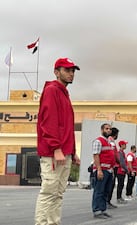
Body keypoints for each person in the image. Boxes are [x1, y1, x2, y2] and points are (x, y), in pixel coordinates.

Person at [35, 57, 81, 225]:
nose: (71, 73)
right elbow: (49, 122)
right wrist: (56, 148)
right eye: (67, 70)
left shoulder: (64, 93)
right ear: (56, 72)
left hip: (65, 153)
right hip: (53, 153)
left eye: (73, 71)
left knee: (58, 194)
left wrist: (73, 151)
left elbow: (66, 127)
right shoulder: (52, 90)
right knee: (48, 193)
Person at [92, 123, 114, 219]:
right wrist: (99, 170)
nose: (108, 130)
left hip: (108, 170)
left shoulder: (108, 142)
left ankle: (103, 209)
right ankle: (97, 210)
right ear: (102, 130)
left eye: (110, 129)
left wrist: (111, 170)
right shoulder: (98, 141)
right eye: (106, 128)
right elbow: (96, 155)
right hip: (102, 170)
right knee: (99, 191)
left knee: (106, 191)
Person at [107, 127, 120, 209]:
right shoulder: (111, 141)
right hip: (112, 165)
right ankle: (107, 201)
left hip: (112, 165)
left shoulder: (111, 140)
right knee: (110, 184)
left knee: (111, 184)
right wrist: (119, 162)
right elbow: (113, 154)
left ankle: (108, 201)